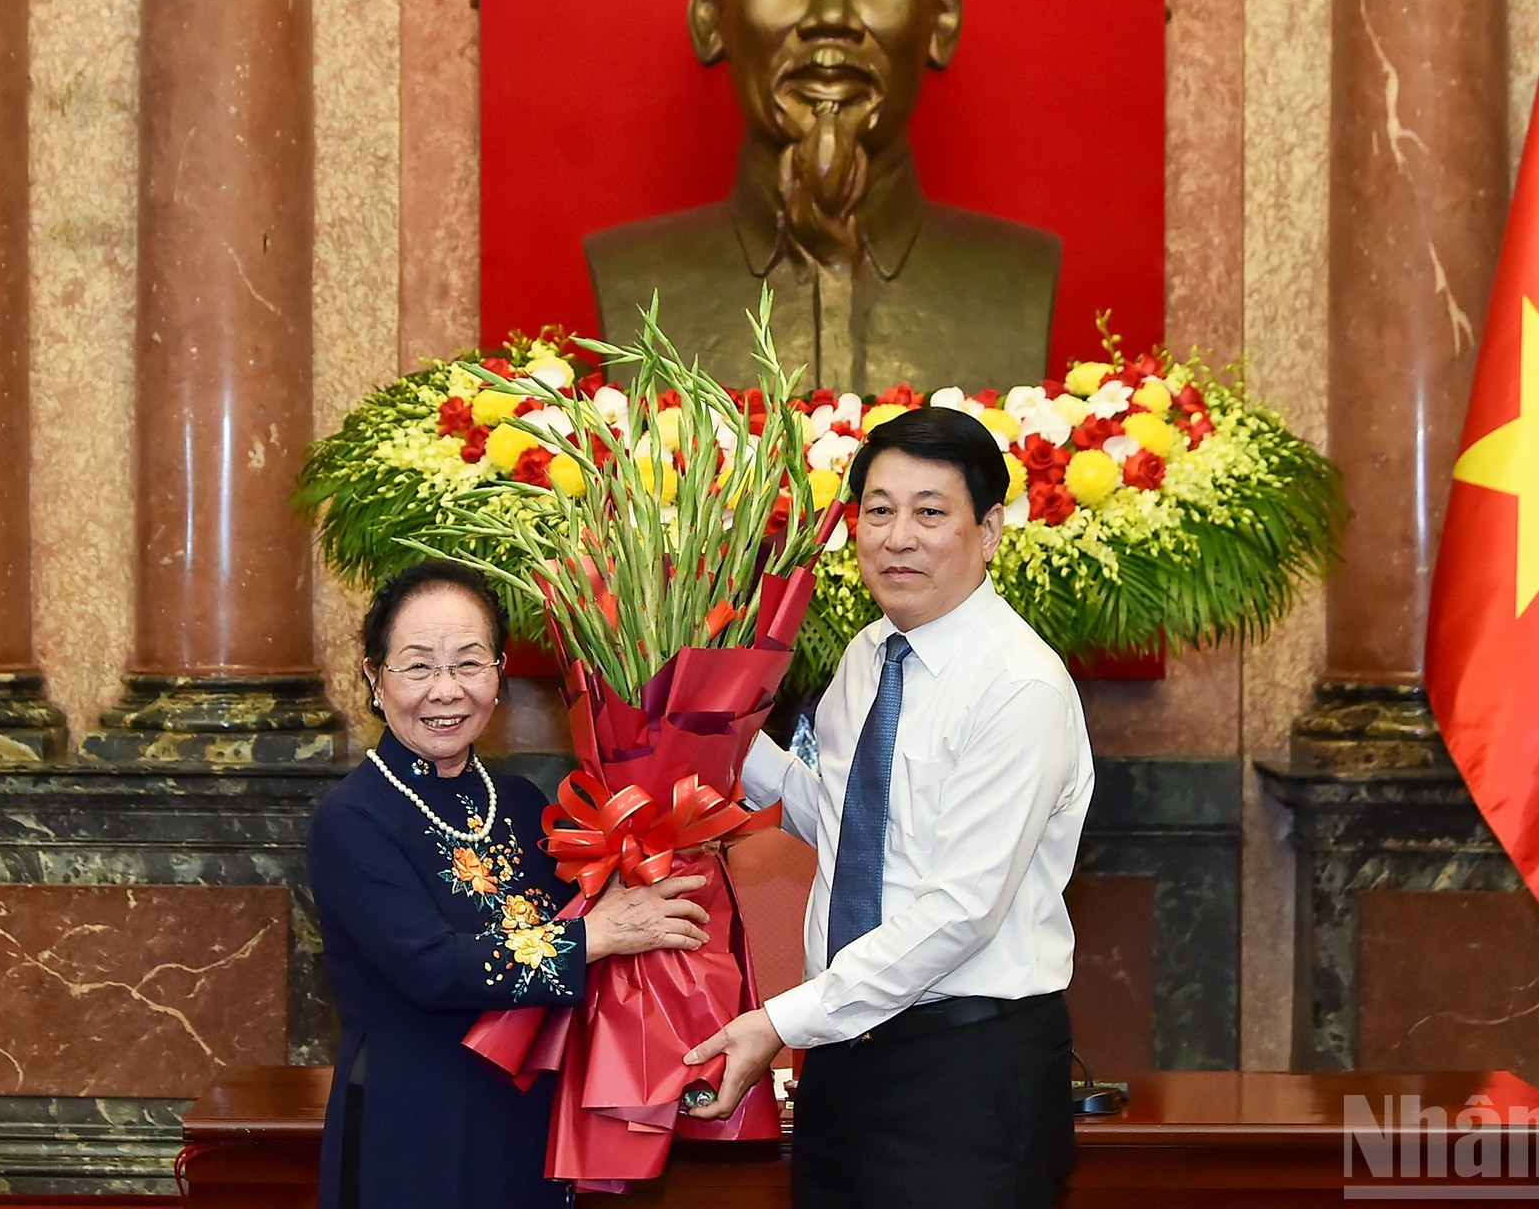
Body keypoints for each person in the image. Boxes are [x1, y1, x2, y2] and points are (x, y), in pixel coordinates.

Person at [685, 407, 1096, 1209]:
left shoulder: (1019, 687)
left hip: (965, 1077)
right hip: (844, 1064)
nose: (898, 536)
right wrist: (707, 725)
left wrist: (781, 1021)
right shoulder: (871, 655)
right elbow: (842, 825)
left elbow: (960, 910)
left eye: (929, 512)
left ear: (990, 530)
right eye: (879, 510)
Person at [585, 0, 1059, 396]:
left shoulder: (1018, 279)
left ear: (941, 14)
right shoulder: (633, 277)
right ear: (709, 10)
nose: (831, 14)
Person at [309, 561, 711, 1209]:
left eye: (469, 663)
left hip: (526, 1117)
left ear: (497, 674)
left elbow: (594, 931)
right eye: (418, 666)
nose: (446, 690)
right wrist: (592, 936)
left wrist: (662, 855)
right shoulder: (352, 819)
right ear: (374, 678)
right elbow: (433, 967)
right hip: (412, 1128)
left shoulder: (523, 803)